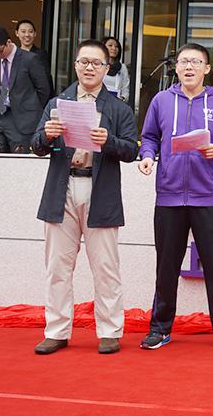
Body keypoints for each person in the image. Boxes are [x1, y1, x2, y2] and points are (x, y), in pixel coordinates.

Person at [31, 39, 139, 355]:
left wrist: (108, 141)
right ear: (76, 65)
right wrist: (47, 135)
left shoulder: (118, 108)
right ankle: (57, 330)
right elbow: (36, 145)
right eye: (83, 62)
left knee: (105, 266)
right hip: (61, 190)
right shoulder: (56, 103)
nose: (89, 67)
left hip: (99, 190)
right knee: (57, 266)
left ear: (107, 69)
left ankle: (109, 331)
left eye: (96, 63)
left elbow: (131, 150)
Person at [137, 43, 213, 352]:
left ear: (207, 68)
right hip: (169, 196)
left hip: (208, 196)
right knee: (166, 265)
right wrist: (147, 156)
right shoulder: (161, 101)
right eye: (183, 62)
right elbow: (149, 137)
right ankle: (160, 328)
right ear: (177, 67)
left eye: (196, 62)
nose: (189, 67)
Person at [0, 25, 51, 153]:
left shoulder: (30, 59)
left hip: (23, 120)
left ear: (8, 43)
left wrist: (31, 111)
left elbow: (44, 90)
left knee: (19, 159)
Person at [102, 37, 130, 101]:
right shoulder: (98, 65)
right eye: (110, 45)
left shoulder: (122, 68)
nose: (114, 48)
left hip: (115, 104)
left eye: (116, 46)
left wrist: (122, 98)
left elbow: (125, 88)